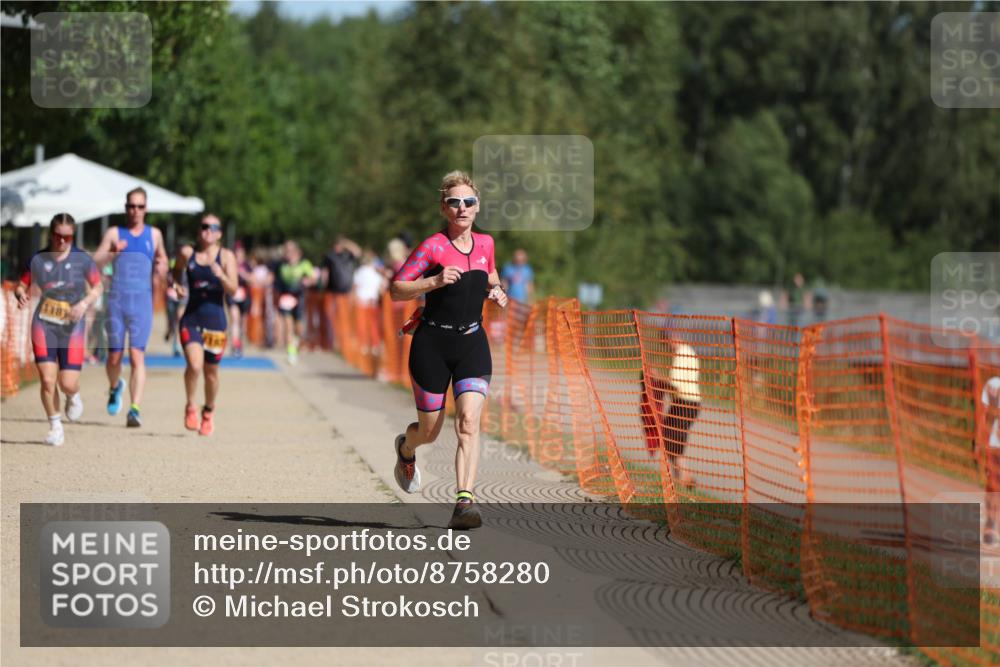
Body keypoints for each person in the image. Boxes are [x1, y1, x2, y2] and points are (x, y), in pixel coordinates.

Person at [389, 170, 508, 529]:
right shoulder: (433, 247)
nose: (462, 208)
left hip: (472, 342)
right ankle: (406, 450)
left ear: (477, 207)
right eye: (454, 202)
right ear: (444, 208)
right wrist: (434, 281)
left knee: (469, 423)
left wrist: (497, 290)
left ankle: (464, 502)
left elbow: (490, 274)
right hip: (432, 345)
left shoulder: (486, 244)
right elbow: (397, 288)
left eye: (468, 202)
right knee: (430, 431)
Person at [13, 213, 103, 445]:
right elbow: (22, 285)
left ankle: (72, 395)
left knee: (67, 382)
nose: (62, 241)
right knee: (46, 380)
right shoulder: (39, 260)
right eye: (57, 236)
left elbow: (98, 286)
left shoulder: (82, 259)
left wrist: (83, 305)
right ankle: (55, 425)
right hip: (44, 324)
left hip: (72, 327)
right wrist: (21, 295)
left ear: (72, 236)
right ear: (51, 234)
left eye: (67, 237)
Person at [92, 187, 169, 428]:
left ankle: (135, 409)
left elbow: (163, 259)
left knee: (137, 357)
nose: (135, 210)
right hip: (116, 301)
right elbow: (95, 261)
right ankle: (115, 387)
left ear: (146, 209)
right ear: (125, 208)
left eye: (139, 206)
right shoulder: (115, 233)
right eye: (131, 206)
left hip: (142, 303)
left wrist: (162, 267)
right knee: (114, 357)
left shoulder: (154, 234)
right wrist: (113, 253)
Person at [171, 214, 239, 436]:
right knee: (195, 365)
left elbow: (233, 290)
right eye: (204, 227)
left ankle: (208, 411)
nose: (207, 231)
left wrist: (221, 276)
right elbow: (175, 272)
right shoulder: (187, 253)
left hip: (216, 322)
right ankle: (191, 405)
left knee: (211, 373)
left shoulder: (227, 257)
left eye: (213, 227)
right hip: (191, 319)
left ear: (219, 233)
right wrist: (177, 285)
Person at [648, 337, 701, 486]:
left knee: (672, 440)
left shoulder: (681, 354)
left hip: (685, 403)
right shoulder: (690, 352)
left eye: (666, 342)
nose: (667, 347)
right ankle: (682, 477)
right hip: (688, 403)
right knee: (670, 438)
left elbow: (675, 385)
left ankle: (684, 477)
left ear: (673, 338)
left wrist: (657, 378)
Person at [274, 240, 316, 364]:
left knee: (298, 327)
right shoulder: (281, 265)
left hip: (299, 297)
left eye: (291, 251)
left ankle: (296, 341)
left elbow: (313, 277)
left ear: (298, 253)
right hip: (286, 297)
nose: (289, 254)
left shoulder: (304, 264)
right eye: (287, 251)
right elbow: (275, 279)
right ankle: (291, 352)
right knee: (288, 324)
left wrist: (308, 281)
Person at [321, 236, 361, 350]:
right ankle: (333, 342)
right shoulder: (329, 257)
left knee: (344, 318)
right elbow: (325, 273)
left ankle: (343, 341)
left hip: (345, 293)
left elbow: (358, 251)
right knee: (332, 318)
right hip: (332, 293)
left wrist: (346, 242)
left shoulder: (347, 255)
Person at [980, 377, 1000, 545]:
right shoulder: (993, 384)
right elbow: (983, 413)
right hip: (995, 445)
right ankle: (991, 522)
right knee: (992, 484)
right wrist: (979, 440)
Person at [165, 239, 192, 358]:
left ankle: (177, 345)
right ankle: (169, 330)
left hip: (184, 295)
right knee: (172, 321)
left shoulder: (192, 263)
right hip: (171, 294)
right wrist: (174, 286)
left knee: (180, 318)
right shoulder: (172, 261)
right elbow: (168, 275)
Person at [226, 243, 253, 359]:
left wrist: (244, 275)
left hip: (245, 297)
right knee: (235, 319)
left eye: (240, 253)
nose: (238, 256)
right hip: (232, 296)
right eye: (236, 253)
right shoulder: (230, 265)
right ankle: (235, 345)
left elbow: (253, 279)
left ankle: (239, 344)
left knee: (242, 323)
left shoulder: (247, 265)